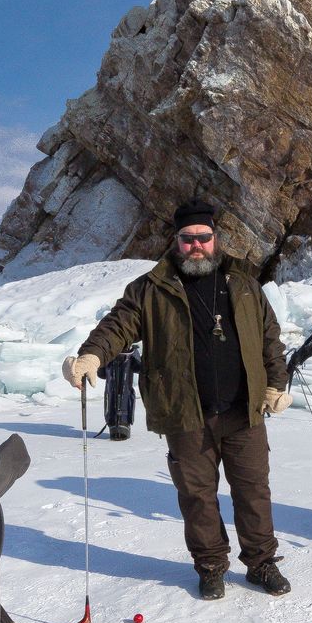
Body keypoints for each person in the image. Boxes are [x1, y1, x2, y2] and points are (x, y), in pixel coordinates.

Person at [61, 200, 293, 601]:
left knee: (253, 490)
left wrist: (276, 384)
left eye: (204, 237)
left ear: (215, 239)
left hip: (244, 411)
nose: (197, 246)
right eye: (189, 239)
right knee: (197, 495)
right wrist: (92, 355)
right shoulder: (151, 288)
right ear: (177, 241)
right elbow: (118, 324)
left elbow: (269, 338)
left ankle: (260, 562)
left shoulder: (242, 283)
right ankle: (210, 566)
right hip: (186, 413)